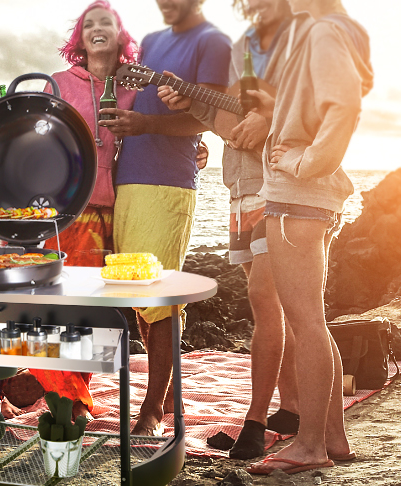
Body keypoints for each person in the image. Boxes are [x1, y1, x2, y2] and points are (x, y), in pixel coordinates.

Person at [156, 0, 299, 459]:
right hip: (242, 188)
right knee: (278, 303)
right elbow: (228, 122)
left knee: (264, 295)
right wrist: (190, 102)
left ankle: (256, 420)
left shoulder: (303, 36)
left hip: (283, 185)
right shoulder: (243, 50)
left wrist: (270, 117)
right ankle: (293, 406)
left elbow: (317, 103)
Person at [241, 0, 371, 474]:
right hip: (309, 197)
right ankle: (332, 436)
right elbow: (321, 105)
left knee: (306, 325)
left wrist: (304, 162)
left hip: (300, 195)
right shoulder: (330, 30)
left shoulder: (322, 33)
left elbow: (346, 107)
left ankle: (310, 446)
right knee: (312, 320)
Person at [102, 0, 232, 436]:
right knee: (139, 295)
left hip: (169, 182)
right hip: (127, 180)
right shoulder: (153, 42)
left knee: (158, 294)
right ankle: (167, 389)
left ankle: (153, 409)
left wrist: (146, 126)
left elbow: (212, 118)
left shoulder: (213, 42)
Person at [47, 0, 141, 266]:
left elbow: (152, 132)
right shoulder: (59, 84)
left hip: (123, 211)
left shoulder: (135, 88)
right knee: (70, 298)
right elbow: (38, 143)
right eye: (88, 25)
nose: (96, 28)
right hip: (69, 211)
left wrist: (197, 150)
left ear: (121, 35)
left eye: (105, 22)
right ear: (81, 40)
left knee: (116, 300)